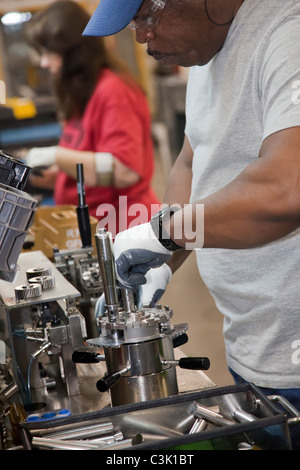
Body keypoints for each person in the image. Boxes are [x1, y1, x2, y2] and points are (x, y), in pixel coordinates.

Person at [86, 0, 300, 448]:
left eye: (145, 17)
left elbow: (287, 189)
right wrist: (167, 254)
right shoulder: (205, 53)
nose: (141, 38)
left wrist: (162, 233)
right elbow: (191, 161)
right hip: (251, 341)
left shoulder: (288, 33)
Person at [24, 0, 160, 235]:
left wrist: (53, 154)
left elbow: (124, 171)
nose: (44, 63)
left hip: (124, 231)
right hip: (92, 229)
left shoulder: (113, 91)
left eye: (49, 53)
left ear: (72, 50)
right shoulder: (82, 94)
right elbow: (89, 166)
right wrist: (49, 175)